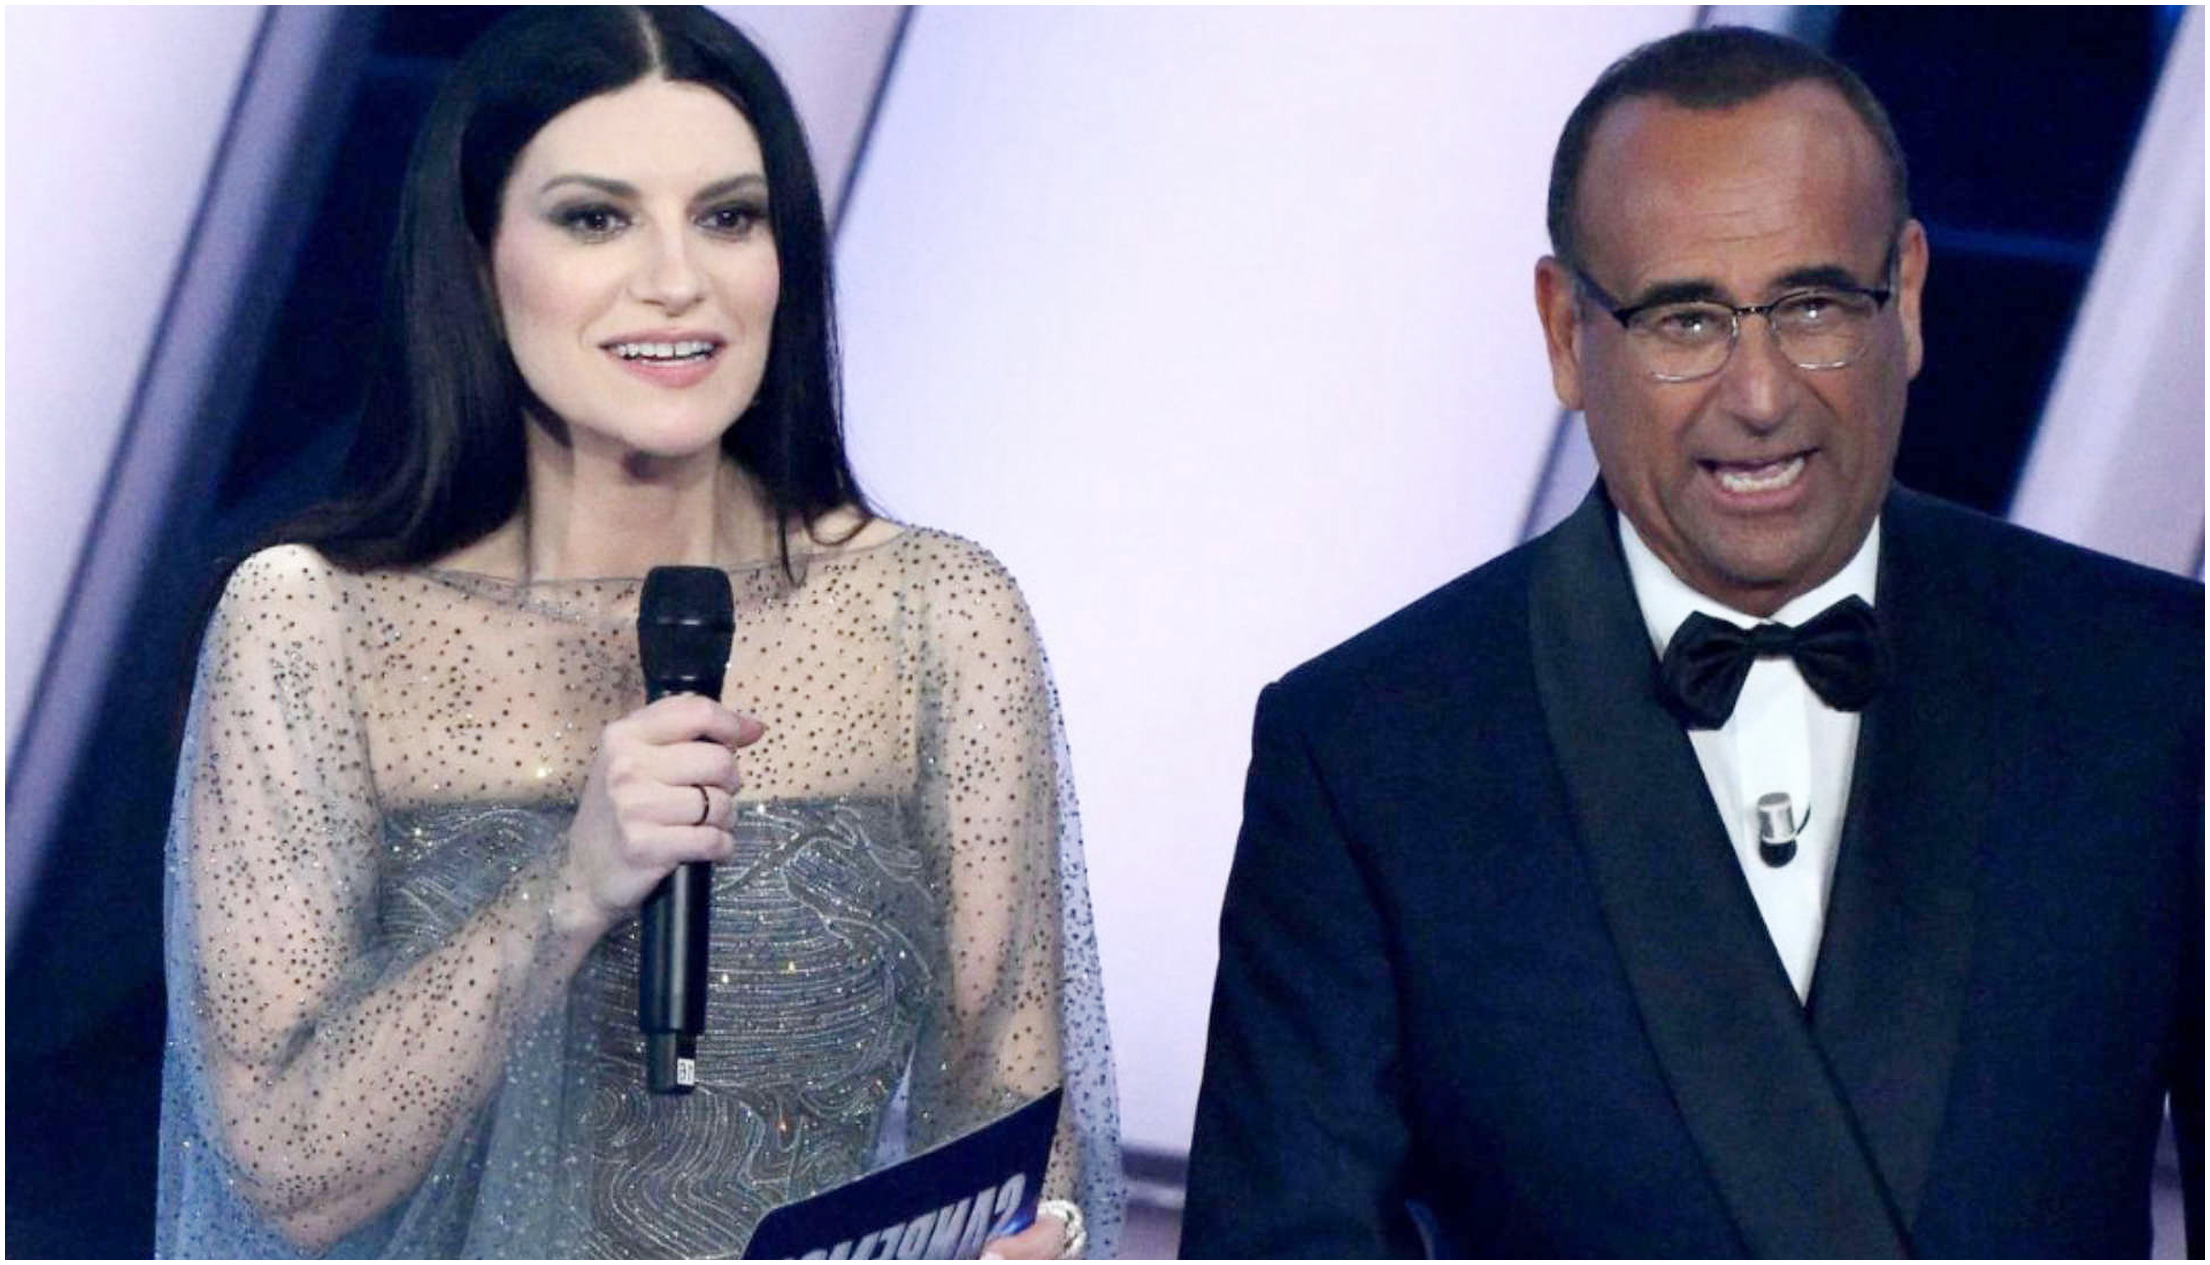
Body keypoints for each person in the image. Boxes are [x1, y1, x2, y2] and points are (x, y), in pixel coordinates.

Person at [1182, 26, 2201, 1258]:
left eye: (1813, 305)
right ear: (1565, 334)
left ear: (1907, 296)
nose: (1759, 395)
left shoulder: (2153, 685)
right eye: (1682, 321)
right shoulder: (1365, 753)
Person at [155, 8, 1121, 1257]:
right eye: (595, 219)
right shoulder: (316, 620)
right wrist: (570, 890)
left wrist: (1037, 1231)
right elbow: (288, 1170)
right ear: (478, 255)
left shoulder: (932, 611)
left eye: (727, 217)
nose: (676, 278)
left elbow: (1006, 1095)